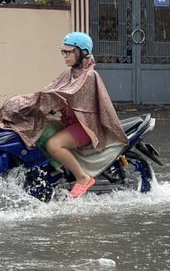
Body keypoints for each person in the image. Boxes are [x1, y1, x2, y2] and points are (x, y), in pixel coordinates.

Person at [0, 32, 127, 198]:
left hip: (86, 126)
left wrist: (40, 103)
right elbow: (51, 90)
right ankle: (50, 174)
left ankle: (82, 178)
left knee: (54, 144)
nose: (65, 56)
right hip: (69, 123)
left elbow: (61, 95)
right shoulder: (70, 72)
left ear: (82, 52)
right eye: (63, 52)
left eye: (68, 52)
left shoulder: (88, 76)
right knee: (35, 129)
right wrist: (27, 100)